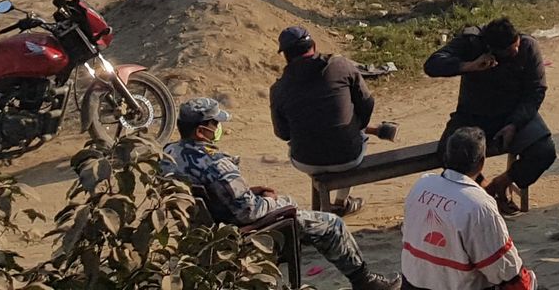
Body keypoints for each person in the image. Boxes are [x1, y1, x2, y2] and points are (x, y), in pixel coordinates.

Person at [164, 98, 396, 290]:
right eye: (214, 124)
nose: (218, 128)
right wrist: (275, 201)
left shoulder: (168, 154)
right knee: (331, 224)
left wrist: (250, 192)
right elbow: (248, 212)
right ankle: (365, 281)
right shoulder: (217, 163)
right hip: (239, 230)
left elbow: (214, 192)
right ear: (201, 131)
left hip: (201, 229)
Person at [423, 17, 557, 216]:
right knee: (448, 153)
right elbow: (432, 65)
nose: (516, 51)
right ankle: (483, 189)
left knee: (544, 151)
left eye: (516, 45)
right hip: (473, 115)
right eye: (509, 51)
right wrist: (469, 66)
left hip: (514, 114)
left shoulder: (528, 47)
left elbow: (536, 91)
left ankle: (500, 184)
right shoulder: (471, 43)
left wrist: (514, 124)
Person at [269, 26, 391, 217]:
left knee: (310, 141)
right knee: (349, 135)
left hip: (306, 161)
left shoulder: (279, 88)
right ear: (314, 46)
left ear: (285, 55)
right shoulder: (340, 66)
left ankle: (327, 194)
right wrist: (358, 125)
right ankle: (341, 202)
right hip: (348, 157)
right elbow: (367, 102)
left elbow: (283, 134)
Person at [400, 127, 531, 290]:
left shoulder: (421, 185)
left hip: (412, 284)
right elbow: (505, 271)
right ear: (481, 162)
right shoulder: (479, 206)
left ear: (446, 157)